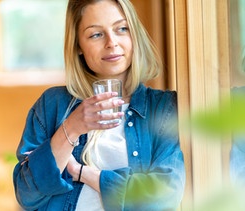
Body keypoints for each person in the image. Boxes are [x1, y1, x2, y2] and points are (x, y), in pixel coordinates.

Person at [13, 0, 185, 210]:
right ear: (78, 45)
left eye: (122, 29)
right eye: (96, 34)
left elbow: (164, 197)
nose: (111, 42)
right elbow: (27, 195)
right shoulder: (52, 105)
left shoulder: (164, 108)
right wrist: (73, 127)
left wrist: (85, 174)